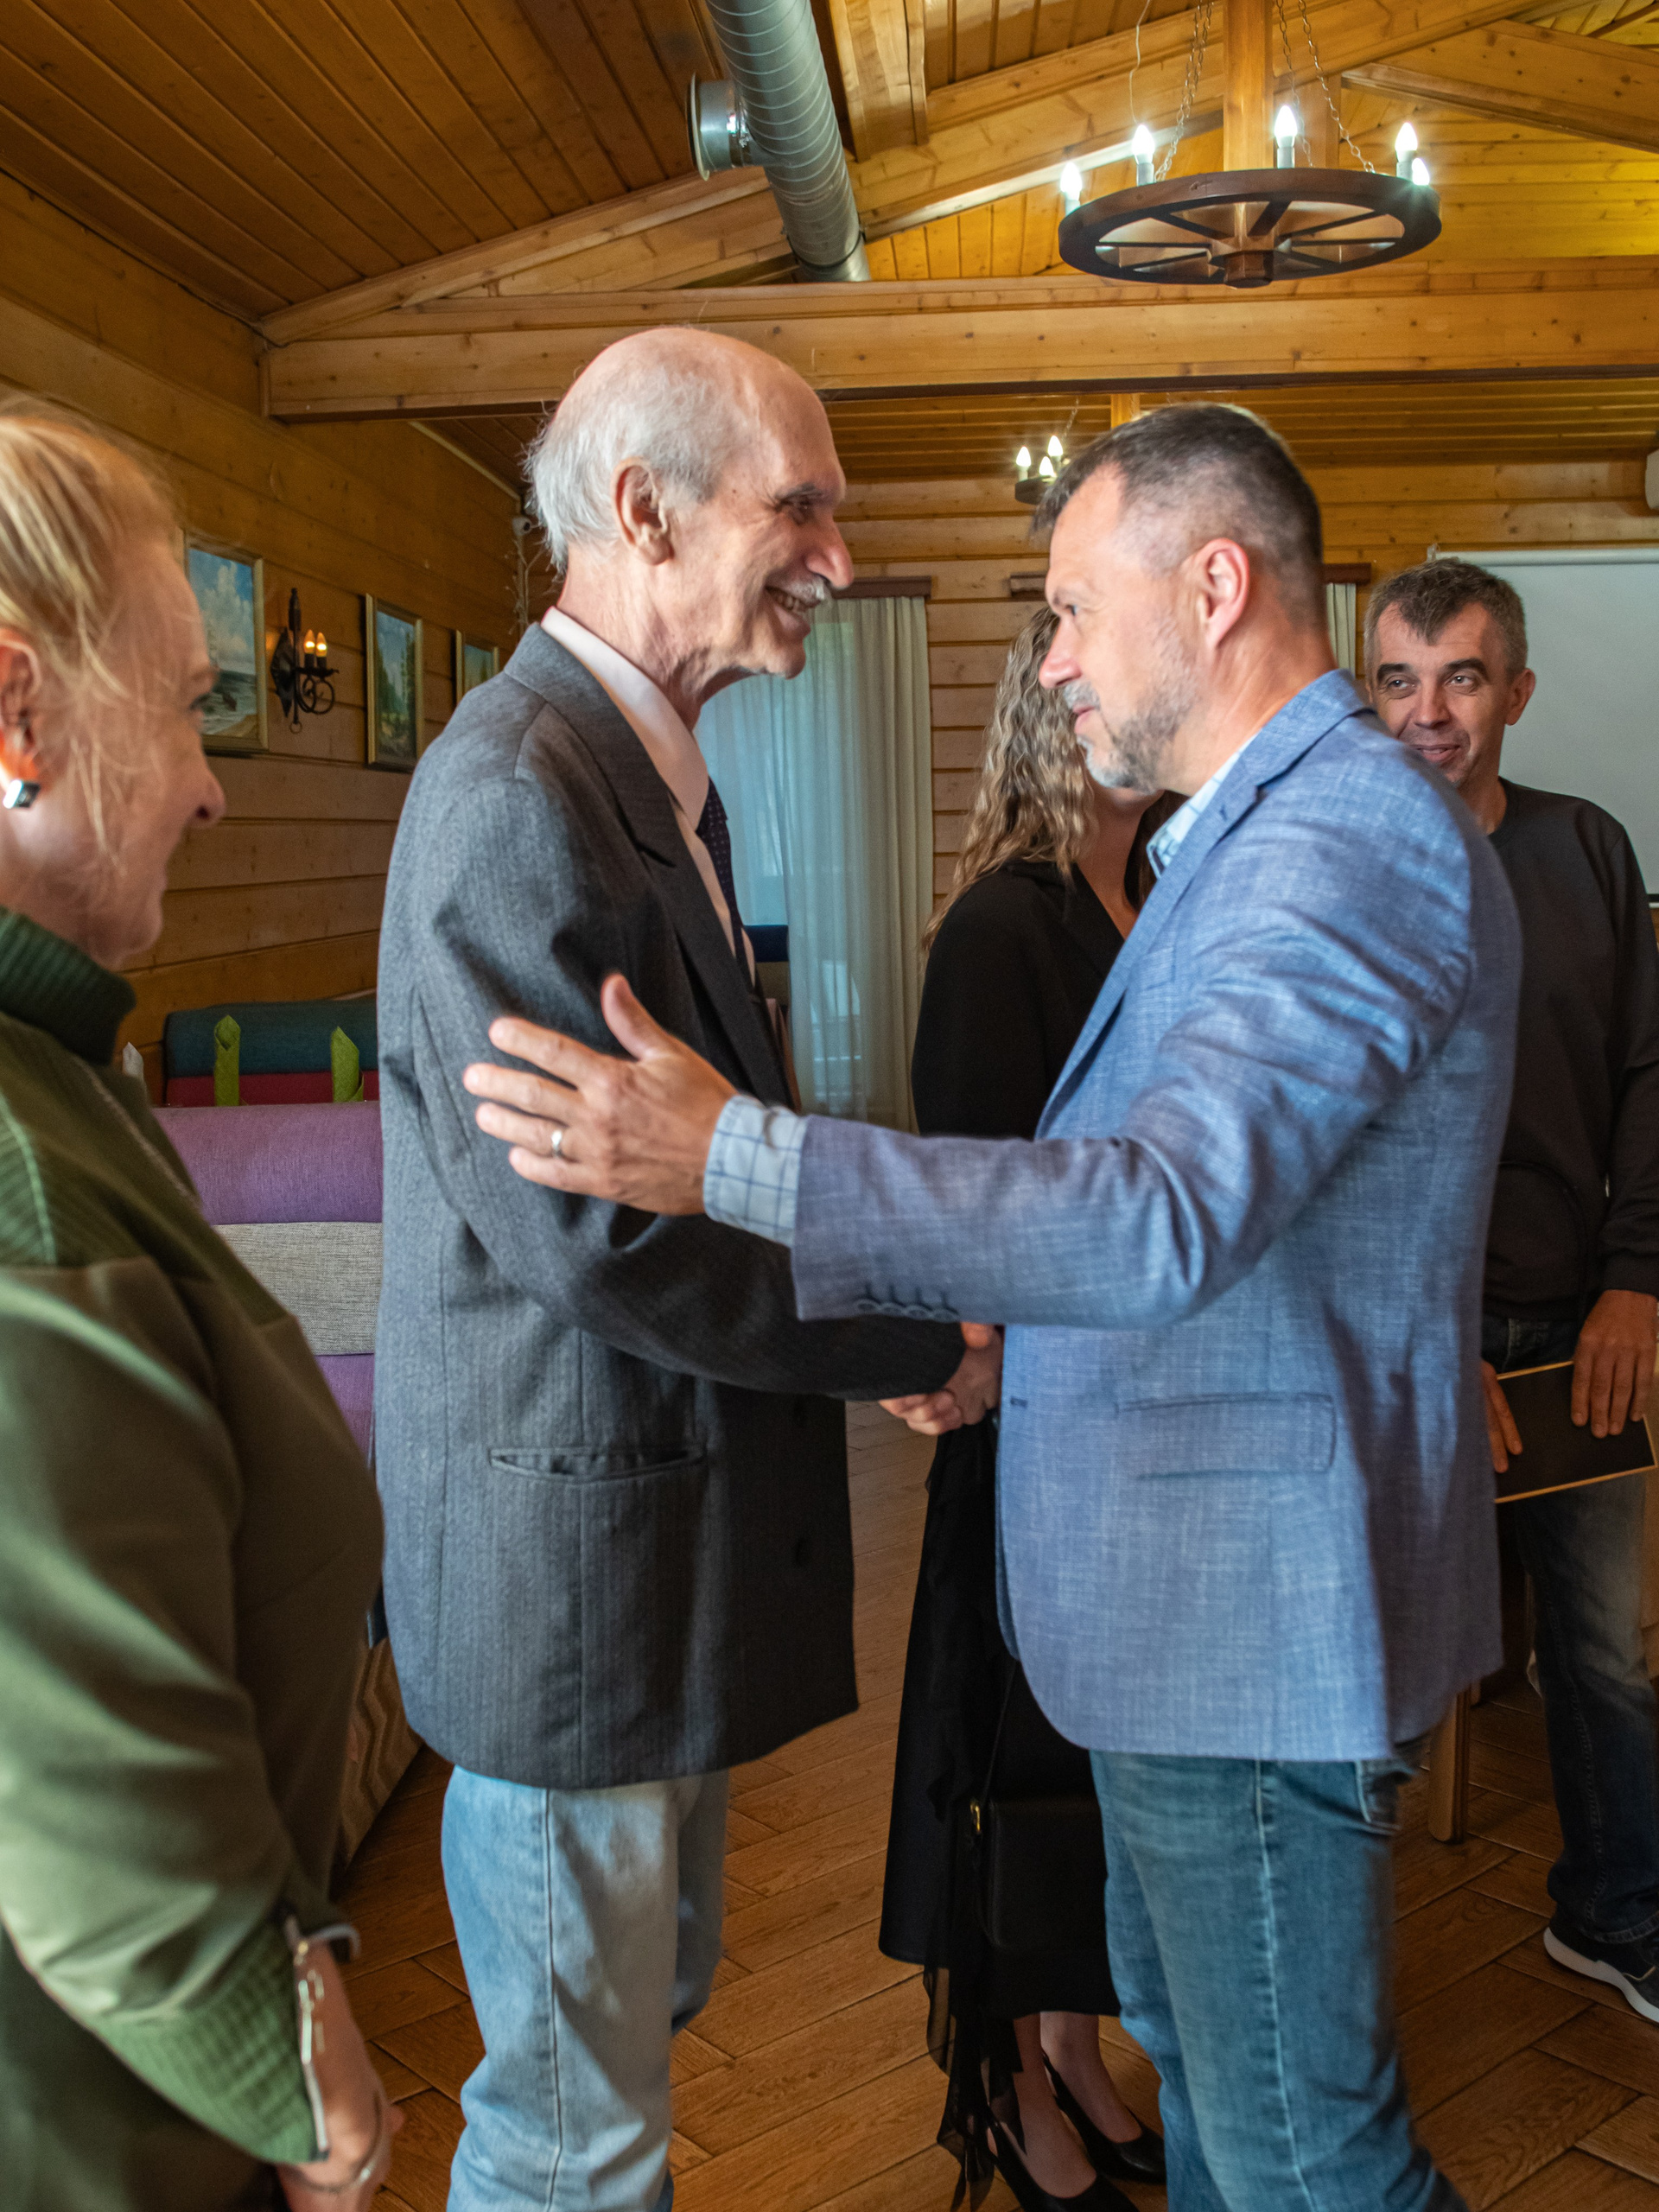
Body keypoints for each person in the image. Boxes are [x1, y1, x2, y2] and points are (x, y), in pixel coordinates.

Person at [461, 403, 1524, 2212]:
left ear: (1214, 586)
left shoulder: (1342, 836)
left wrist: (742, 1156)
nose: (1052, 661)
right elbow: (1235, 1225)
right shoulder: (1247, 839)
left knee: (1306, 2158)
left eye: (1073, 611)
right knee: (1227, 2111)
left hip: (1250, 1628)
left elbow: (1164, 1207)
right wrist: (1002, 1351)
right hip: (1196, 1619)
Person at [372, 328, 995, 2212]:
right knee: (574, 2136)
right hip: (575, 1581)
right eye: (800, 506)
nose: (838, 556)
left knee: (628, 2055)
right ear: (643, 510)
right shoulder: (520, 790)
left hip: (639, 1554)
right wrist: (906, 1325)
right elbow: (611, 1230)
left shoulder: (638, 773)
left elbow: (705, 1153)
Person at [0, 404, 393, 2208]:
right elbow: (88, 1783)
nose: (214, 781)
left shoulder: (61, 1070)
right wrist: (305, 2080)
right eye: (182, 706)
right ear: (17, 716)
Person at [887, 606, 1174, 2212]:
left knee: (1098, 1769)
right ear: (1049, 715)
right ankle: (1002, 2077)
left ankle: (1074, 2043)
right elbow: (966, 1201)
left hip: (1138, 1422)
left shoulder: (1161, 890)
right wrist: (991, 1349)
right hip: (1024, 1429)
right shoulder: (1004, 923)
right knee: (1015, 1758)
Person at [1367, 556, 1659, 2023]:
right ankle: (1338, 1978)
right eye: (1399, 681)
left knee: (1604, 1657)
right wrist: (1421, 1330)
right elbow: (1341, 1141)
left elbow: (1648, 1074)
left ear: (1519, 693)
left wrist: (1638, 1284)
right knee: (1382, 1673)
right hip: (1404, 1348)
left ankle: (1615, 1916)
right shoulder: (1343, 870)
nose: (1429, 713)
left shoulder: (1589, 848)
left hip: (1580, 1330)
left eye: (1463, 678)